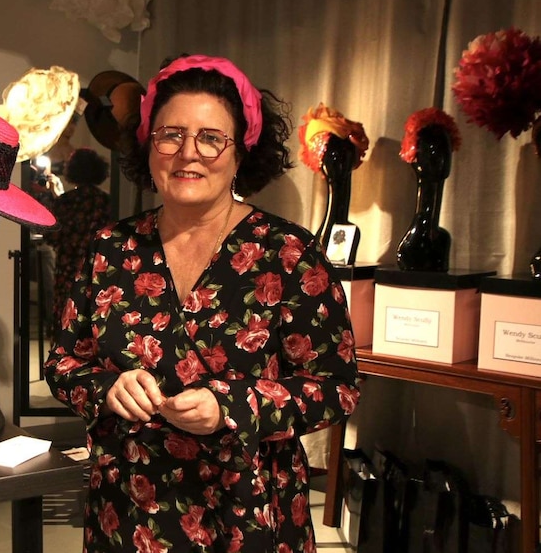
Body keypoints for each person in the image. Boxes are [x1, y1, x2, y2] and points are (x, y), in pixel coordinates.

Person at [44, 54, 361, 552]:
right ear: (149, 146)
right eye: (170, 134)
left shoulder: (289, 254)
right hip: (126, 516)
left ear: (241, 153)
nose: (188, 153)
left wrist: (233, 405)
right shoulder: (111, 249)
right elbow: (63, 364)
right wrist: (107, 386)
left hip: (245, 517)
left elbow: (336, 388)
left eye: (211, 137)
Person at [45, 148, 112, 340]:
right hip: (97, 268)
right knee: (94, 316)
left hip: (67, 267)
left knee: (66, 315)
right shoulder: (106, 201)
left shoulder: (65, 202)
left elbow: (51, 236)